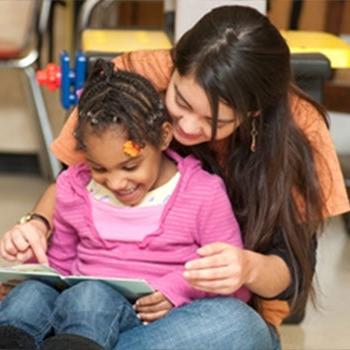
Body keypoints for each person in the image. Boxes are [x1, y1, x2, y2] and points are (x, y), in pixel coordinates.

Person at [0, 5, 349, 350]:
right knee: (38, 301)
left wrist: (246, 268)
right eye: (180, 100)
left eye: (216, 122)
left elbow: (291, 269)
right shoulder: (133, 78)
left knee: (238, 327)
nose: (187, 127)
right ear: (174, 66)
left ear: (253, 113)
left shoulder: (296, 131)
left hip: (191, 319)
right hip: (85, 308)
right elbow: (73, 181)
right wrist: (37, 225)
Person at [0, 60, 249, 349]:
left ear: (164, 136)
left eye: (130, 166)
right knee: (28, 297)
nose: (117, 183)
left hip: (148, 320)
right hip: (75, 312)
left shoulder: (202, 193)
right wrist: (30, 264)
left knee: (92, 296)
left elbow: (231, 282)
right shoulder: (74, 187)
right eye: (100, 169)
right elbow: (60, 266)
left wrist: (177, 291)